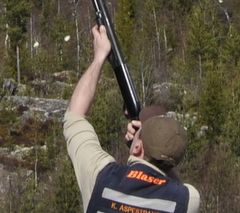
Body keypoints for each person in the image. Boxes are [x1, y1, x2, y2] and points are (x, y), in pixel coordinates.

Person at [63, 24, 201, 213]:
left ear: (137, 147)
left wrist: (99, 57)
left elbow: (74, 114)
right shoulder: (187, 199)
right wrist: (143, 149)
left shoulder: (101, 176)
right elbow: (172, 184)